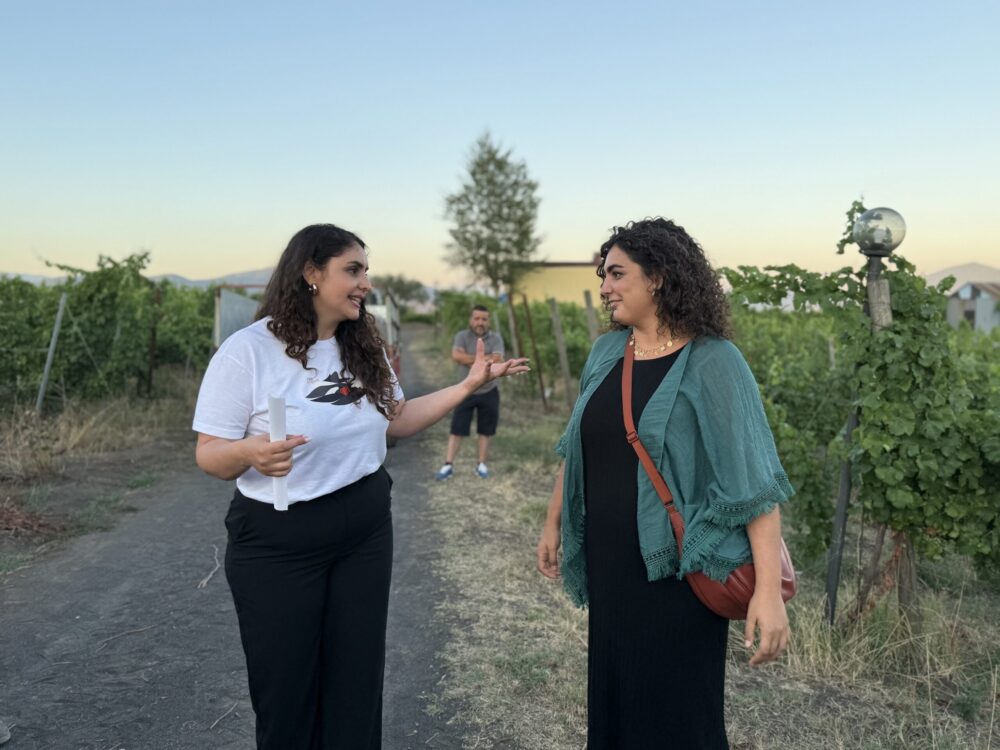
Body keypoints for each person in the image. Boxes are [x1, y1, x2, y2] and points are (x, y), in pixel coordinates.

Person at [193, 223, 528, 750]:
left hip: (365, 532)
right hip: (279, 542)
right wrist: (249, 453)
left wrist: (468, 385)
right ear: (310, 273)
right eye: (352, 270)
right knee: (287, 692)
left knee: (356, 683)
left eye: (365, 271)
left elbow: (397, 420)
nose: (364, 283)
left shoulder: (361, 343)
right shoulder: (248, 351)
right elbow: (209, 454)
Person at [535, 218, 793, 749]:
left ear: (657, 277)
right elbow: (576, 446)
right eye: (604, 275)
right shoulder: (606, 353)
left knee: (678, 716)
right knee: (616, 703)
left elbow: (754, 486)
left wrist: (768, 592)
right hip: (611, 567)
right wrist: (553, 521)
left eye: (616, 274)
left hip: (676, 574)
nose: (605, 287)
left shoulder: (714, 361)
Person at [435, 305, 505, 480]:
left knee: (485, 430)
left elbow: (498, 359)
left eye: (484, 319)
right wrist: (484, 360)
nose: (480, 322)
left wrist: (469, 359)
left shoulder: (496, 338)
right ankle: (448, 465)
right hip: (464, 390)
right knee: (457, 428)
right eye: (477, 318)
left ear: (488, 321)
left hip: (489, 390)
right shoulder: (462, 336)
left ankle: (481, 464)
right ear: (470, 320)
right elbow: (456, 356)